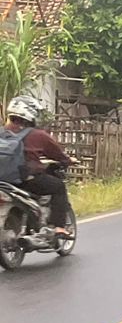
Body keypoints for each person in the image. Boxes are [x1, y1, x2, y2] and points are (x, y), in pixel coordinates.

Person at [2, 97, 74, 236]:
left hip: (3, 182)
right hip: (26, 181)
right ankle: (59, 227)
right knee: (58, 186)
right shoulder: (38, 135)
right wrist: (68, 160)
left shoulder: (1, 132)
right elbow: (57, 154)